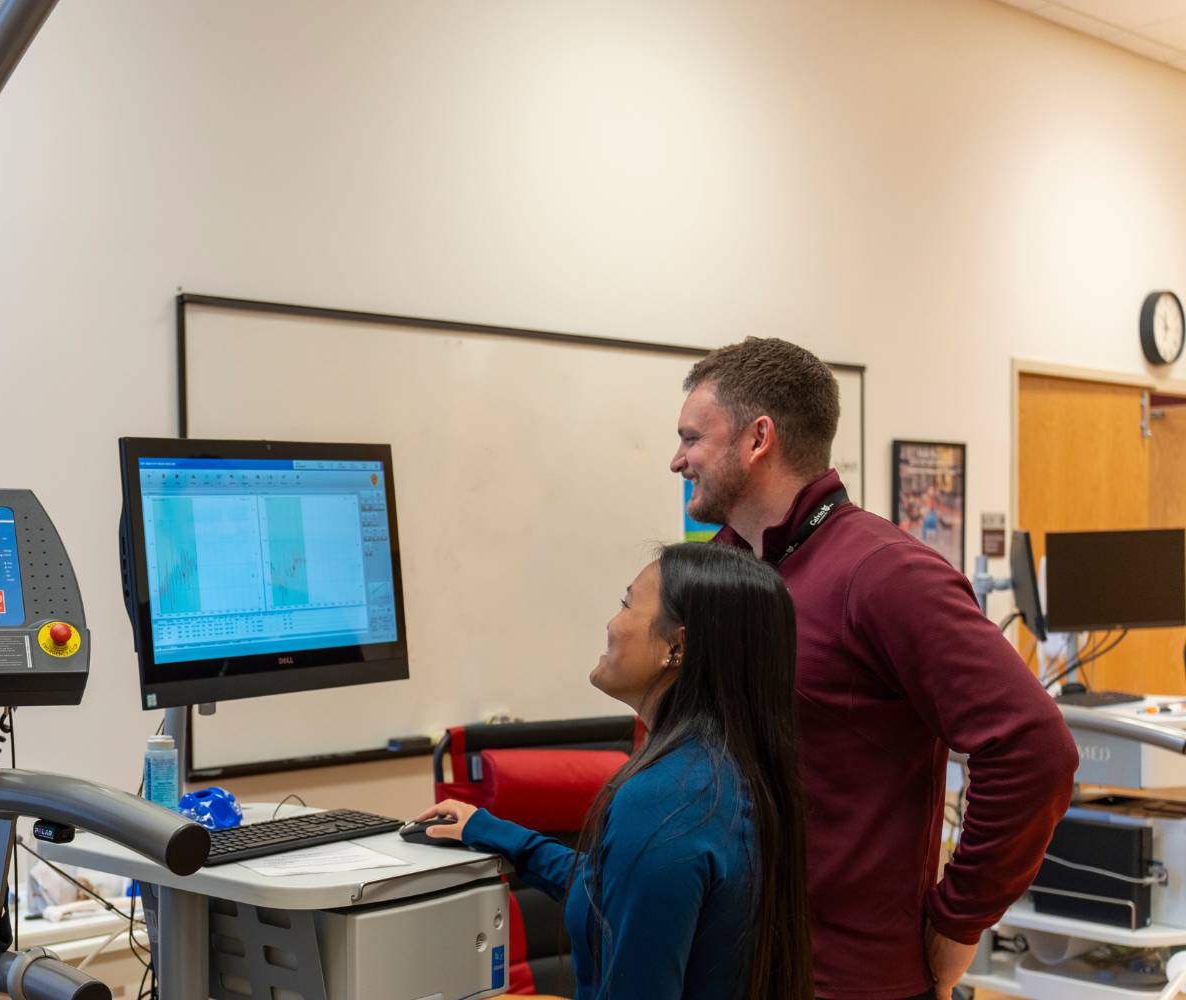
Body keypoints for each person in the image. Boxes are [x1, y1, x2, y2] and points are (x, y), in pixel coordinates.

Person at [671, 337, 1076, 1000]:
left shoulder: (886, 574)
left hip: (848, 979)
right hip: (731, 962)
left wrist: (960, 920)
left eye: (692, 437)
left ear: (758, 439)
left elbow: (1034, 749)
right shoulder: (725, 569)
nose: (677, 459)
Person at [417, 542, 813, 1000]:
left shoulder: (665, 800)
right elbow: (617, 889)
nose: (610, 623)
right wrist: (493, 831)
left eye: (626, 603)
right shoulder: (723, 773)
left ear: (676, 646)